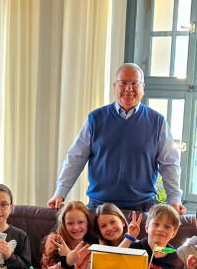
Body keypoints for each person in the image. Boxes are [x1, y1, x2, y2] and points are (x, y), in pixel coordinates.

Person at [47, 63, 186, 214]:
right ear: (115, 86)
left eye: (134, 83)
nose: (128, 88)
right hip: (99, 207)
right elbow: (75, 158)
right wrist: (60, 193)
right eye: (123, 83)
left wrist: (174, 200)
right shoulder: (95, 118)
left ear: (143, 88)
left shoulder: (157, 121)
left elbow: (170, 164)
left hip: (141, 208)